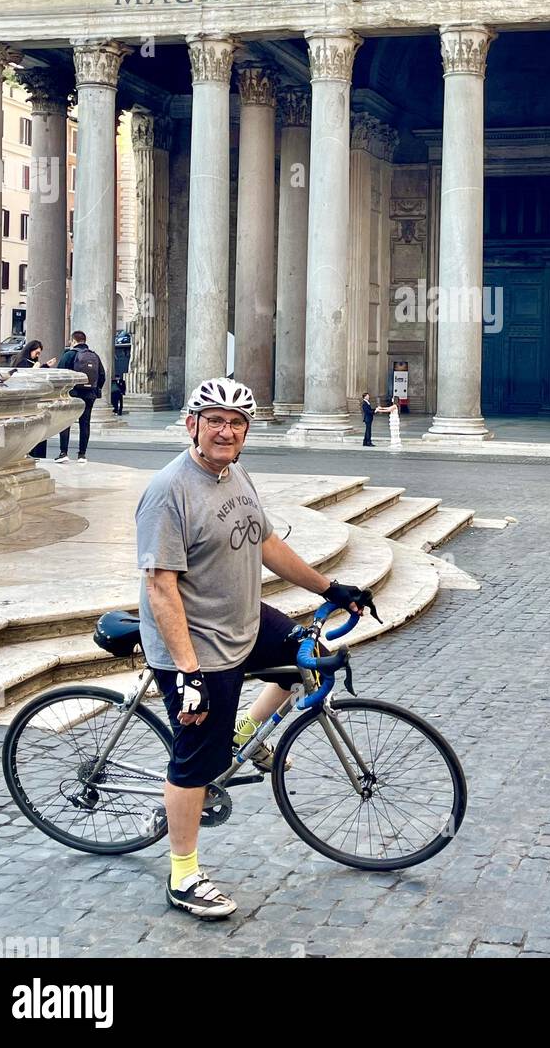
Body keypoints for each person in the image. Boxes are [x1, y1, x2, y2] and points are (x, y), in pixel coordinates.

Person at [135, 376, 367, 920]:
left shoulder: (234, 473)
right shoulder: (169, 490)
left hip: (242, 620)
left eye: (236, 423)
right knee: (194, 763)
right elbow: (159, 587)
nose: (225, 430)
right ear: (192, 424)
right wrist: (188, 673)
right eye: (214, 420)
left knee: (302, 659)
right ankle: (183, 875)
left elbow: (265, 542)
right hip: (196, 644)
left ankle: (244, 737)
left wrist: (329, 588)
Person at [54, 330, 106, 464]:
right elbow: (102, 375)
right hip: (89, 395)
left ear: (73, 341)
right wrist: (96, 390)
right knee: (85, 423)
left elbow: (59, 373)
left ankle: (63, 453)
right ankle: (82, 455)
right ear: (85, 341)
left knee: (65, 422)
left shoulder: (69, 355)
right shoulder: (94, 356)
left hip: (72, 394)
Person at [11, 338, 57, 458]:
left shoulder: (31, 361)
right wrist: (36, 368)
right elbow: (25, 376)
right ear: (30, 350)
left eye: (39, 354)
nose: (37, 355)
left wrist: (46, 365)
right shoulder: (21, 361)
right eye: (36, 353)